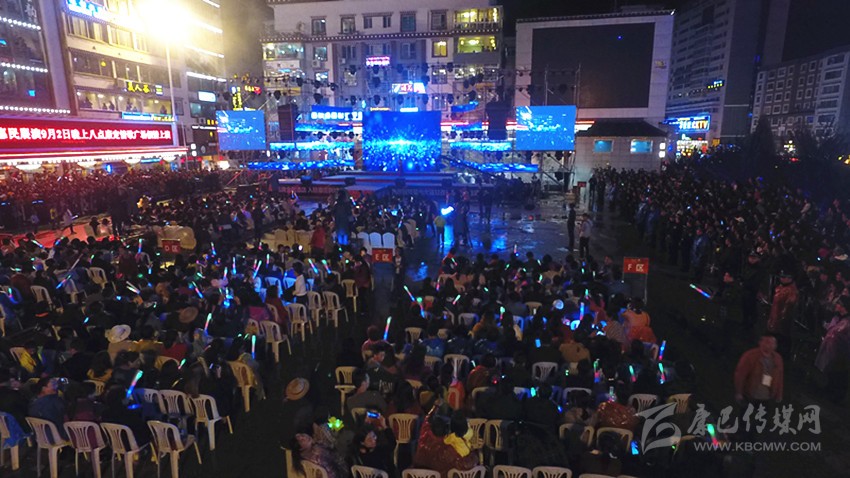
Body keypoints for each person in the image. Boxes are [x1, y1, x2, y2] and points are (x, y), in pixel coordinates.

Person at [734, 333, 784, 406]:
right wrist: (739, 393)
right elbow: (740, 375)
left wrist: (779, 394)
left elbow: (780, 377)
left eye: (771, 343)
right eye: (766, 342)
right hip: (750, 394)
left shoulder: (777, 358)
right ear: (760, 343)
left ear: (775, 346)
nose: (768, 345)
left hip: (767, 396)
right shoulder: (750, 356)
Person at [767, 271, 798, 357]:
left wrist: (782, 318)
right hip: (776, 316)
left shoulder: (792, 292)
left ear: (790, 279)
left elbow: (789, 308)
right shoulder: (781, 287)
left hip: (782, 320)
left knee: (782, 338)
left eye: (784, 277)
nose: (781, 279)